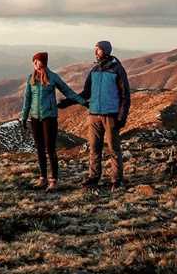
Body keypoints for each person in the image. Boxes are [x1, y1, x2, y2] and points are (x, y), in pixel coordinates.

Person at [20, 51, 86, 191]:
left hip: (49, 117)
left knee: (50, 149)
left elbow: (68, 92)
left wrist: (83, 102)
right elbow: (27, 100)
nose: (36, 65)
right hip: (35, 118)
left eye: (39, 62)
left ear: (44, 63)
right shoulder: (30, 78)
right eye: (35, 62)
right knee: (39, 149)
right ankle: (43, 178)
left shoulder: (53, 77)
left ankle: (53, 180)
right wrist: (24, 117)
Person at [77, 40, 131, 190]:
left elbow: (125, 95)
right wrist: (70, 100)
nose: (95, 53)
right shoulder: (94, 70)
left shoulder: (117, 70)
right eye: (95, 50)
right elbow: (86, 93)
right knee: (94, 148)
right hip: (94, 114)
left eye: (98, 50)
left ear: (106, 51)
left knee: (114, 148)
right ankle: (93, 177)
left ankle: (117, 179)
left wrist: (122, 117)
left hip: (111, 115)